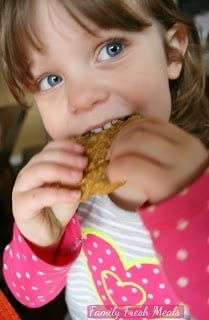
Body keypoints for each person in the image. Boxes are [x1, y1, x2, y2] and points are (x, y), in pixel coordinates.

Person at [0, 0, 209, 319]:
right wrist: (40, 239)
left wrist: (193, 212)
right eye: (51, 79)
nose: (81, 99)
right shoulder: (65, 200)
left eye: (111, 49)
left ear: (172, 53)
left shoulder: (200, 185)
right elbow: (30, 296)